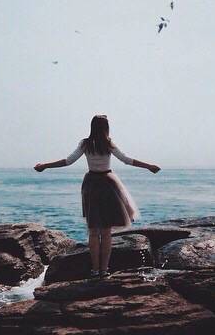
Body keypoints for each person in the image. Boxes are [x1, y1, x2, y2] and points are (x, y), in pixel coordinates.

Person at [34, 114, 160, 279]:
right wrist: (149, 166)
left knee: (93, 231)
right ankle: (104, 270)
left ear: (92, 127)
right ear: (106, 127)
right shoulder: (108, 144)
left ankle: (94, 270)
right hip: (108, 184)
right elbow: (127, 160)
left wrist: (44, 166)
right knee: (106, 232)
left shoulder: (86, 144)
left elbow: (68, 161)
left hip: (92, 185)